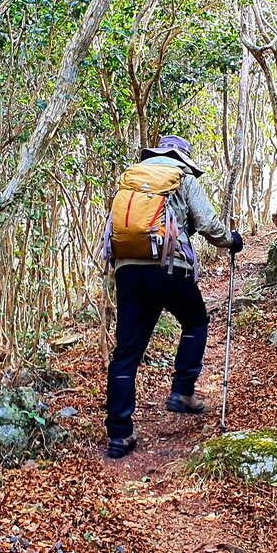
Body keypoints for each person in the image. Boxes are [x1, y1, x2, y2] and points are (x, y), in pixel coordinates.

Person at [101, 136, 243, 459]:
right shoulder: (182, 176)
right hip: (169, 264)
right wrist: (230, 241)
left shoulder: (132, 177)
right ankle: (182, 390)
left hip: (127, 269)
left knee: (126, 353)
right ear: (183, 156)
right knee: (195, 321)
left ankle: (119, 435)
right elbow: (207, 222)